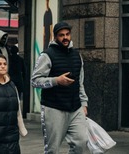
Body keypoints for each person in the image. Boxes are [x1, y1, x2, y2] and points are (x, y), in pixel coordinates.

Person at [31, 22, 89, 154]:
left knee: (81, 142)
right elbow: (35, 81)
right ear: (55, 37)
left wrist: (84, 103)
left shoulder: (77, 55)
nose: (65, 38)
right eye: (61, 35)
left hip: (75, 108)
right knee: (53, 149)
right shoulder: (47, 55)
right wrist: (56, 80)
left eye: (67, 34)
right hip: (54, 108)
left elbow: (80, 82)